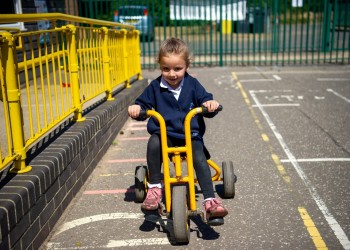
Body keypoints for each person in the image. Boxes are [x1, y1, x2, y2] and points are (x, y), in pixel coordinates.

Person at [128, 37, 228, 222]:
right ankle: (155, 187)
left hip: (190, 135)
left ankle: (210, 199)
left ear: (187, 66)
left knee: (198, 156)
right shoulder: (155, 87)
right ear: (160, 66)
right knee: (153, 143)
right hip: (165, 134)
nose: (172, 74)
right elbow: (142, 105)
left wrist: (209, 104)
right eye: (166, 69)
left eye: (177, 68)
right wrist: (137, 109)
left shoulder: (193, 85)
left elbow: (206, 100)